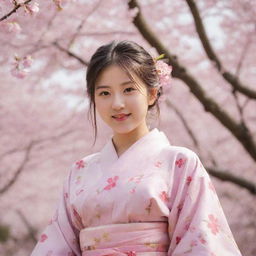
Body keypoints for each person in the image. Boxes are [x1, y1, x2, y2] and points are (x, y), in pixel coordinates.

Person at [31, 40, 242, 256]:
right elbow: (57, 245)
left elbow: (200, 243)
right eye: (104, 93)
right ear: (93, 98)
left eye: (129, 89)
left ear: (151, 94)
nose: (117, 104)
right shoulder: (79, 171)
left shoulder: (180, 163)